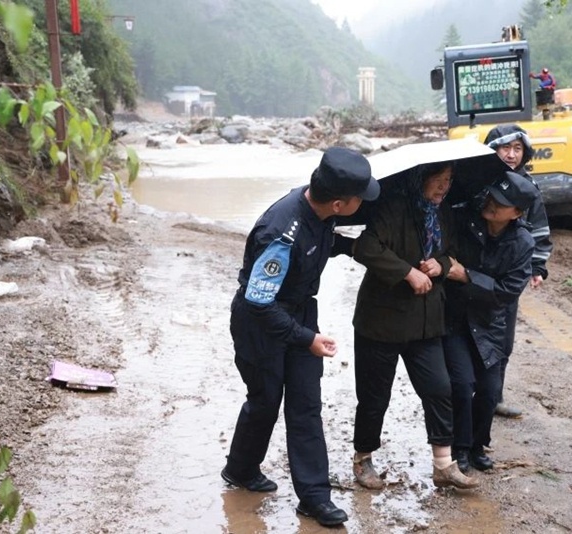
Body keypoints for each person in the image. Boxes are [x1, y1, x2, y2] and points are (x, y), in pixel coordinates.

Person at [222, 147, 379, 527]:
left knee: (306, 405)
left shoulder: (321, 209)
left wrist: (355, 248)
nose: (363, 203)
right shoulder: (280, 233)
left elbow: (323, 239)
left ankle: (314, 497)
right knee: (265, 400)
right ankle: (240, 469)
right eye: (360, 198)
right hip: (260, 323)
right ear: (339, 203)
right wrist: (306, 338)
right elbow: (259, 302)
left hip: (299, 311)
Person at [351, 161, 479, 490]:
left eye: (449, 180)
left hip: (426, 321)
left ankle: (443, 465)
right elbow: (366, 247)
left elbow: (452, 252)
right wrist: (408, 273)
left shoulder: (443, 212)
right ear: (420, 179)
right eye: (438, 179)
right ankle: (363, 458)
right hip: (381, 322)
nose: (444, 187)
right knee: (375, 396)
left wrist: (442, 264)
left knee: (439, 388)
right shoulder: (392, 207)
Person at [443, 172, 536, 473]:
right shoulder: (464, 220)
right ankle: (459, 447)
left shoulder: (522, 243)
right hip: (456, 318)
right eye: (492, 197)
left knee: (489, 389)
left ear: (517, 213)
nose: (492, 204)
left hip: (489, 323)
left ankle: (478, 444)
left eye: (501, 203)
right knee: (462, 384)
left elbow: (507, 292)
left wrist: (467, 276)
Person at [484, 124, 553, 418]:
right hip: (474, 265)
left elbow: (539, 227)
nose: (511, 155)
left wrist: (537, 266)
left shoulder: (527, 187)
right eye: (505, 148)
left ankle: (493, 397)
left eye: (517, 149)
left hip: (509, 269)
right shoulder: (477, 180)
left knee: (503, 337)